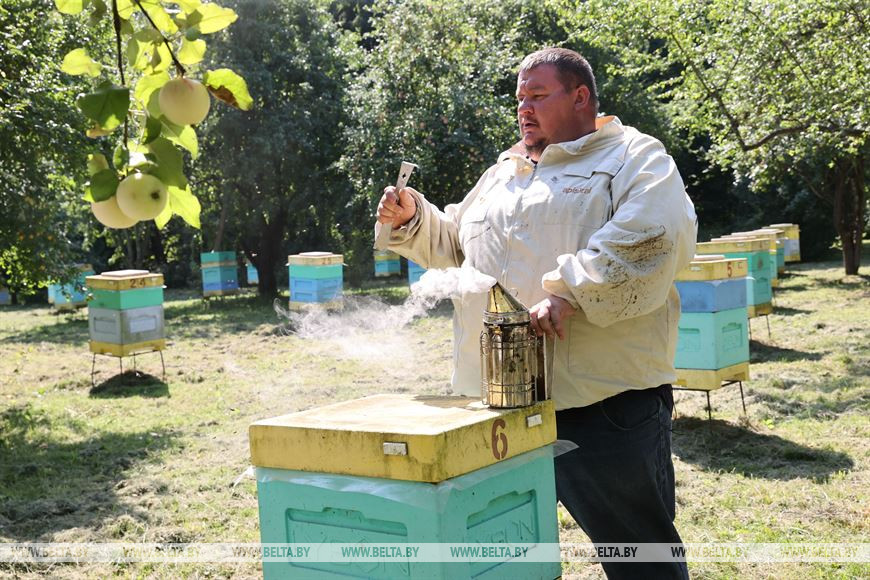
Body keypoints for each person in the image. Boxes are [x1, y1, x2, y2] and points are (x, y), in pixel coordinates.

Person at [375, 47, 696, 579]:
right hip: (501, 398)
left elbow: (655, 236)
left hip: (601, 399)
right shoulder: (506, 172)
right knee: (508, 545)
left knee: (640, 554)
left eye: (538, 96)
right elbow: (461, 245)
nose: (524, 108)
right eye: (520, 97)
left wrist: (569, 292)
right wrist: (415, 218)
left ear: (580, 96)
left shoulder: (633, 157)